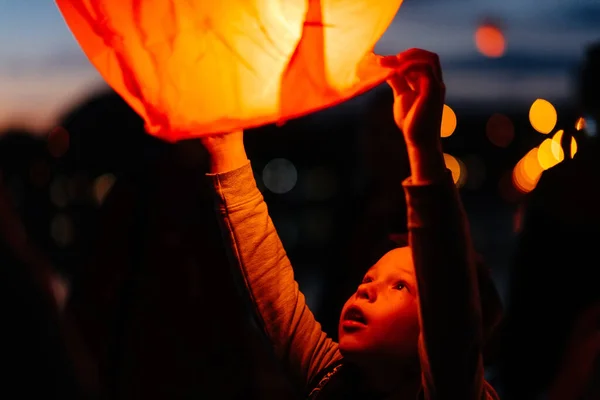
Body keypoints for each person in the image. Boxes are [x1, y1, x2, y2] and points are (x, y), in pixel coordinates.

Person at [201, 48, 499, 399]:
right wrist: (226, 147)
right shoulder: (331, 379)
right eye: (368, 277)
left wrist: (424, 148)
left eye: (400, 286)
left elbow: (449, 291)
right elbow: (268, 279)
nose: (366, 289)